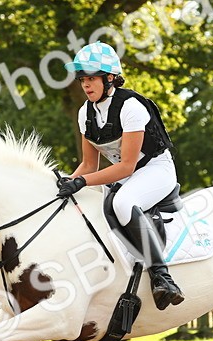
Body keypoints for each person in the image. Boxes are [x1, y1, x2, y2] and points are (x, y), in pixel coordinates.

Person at [58, 41, 185, 310]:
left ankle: (163, 277)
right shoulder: (85, 114)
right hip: (127, 174)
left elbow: (127, 165)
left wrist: (81, 182)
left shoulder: (130, 107)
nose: (86, 85)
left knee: (122, 203)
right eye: (83, 79)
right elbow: (89, 166)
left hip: (155, 169)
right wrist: (66, 183)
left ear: (110, 78)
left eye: (91, 78)